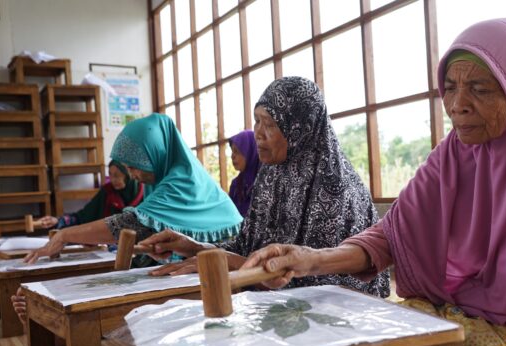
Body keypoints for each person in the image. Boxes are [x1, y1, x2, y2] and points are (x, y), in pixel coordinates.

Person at [240, 19, 506, 346]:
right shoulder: (456, 150)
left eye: (480, 89)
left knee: (437, 345)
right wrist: (308, 259)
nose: (457, 106)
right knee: (381, 326)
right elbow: (392, 234)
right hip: (481, 302)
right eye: (450, 88)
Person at [144, 76, 389, 298]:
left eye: (270, 124)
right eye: (257, 120)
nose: (258, 133)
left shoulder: (333, 187)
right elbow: (246, 248)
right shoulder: (272, 174)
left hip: (338, 318)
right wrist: (193, 247)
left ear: (298, 129)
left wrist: (225, 261)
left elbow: (312, 283)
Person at [12, 113, 243, 322]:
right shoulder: (166, 181)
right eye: (128, 168)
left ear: (157, 153)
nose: (132, 174)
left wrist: (64, 235)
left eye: (135, 167)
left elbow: (128, 226)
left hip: (226, 266)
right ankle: (47, 315)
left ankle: (49, 317)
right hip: (200, 259)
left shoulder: (180, 182)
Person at [35, 160, 144, 229]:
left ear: (128, 175)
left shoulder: (145, 193)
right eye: (110, 175)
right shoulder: (107, 192)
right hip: (111, 245)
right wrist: (58, 221)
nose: (112, 180)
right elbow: (84, 216)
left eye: (116, 175)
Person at [228, 129, 260, 217]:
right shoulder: (236, 185)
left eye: (237, 151)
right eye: (232, 151)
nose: (232, 156)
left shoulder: (265, 183)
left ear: (250, 152)